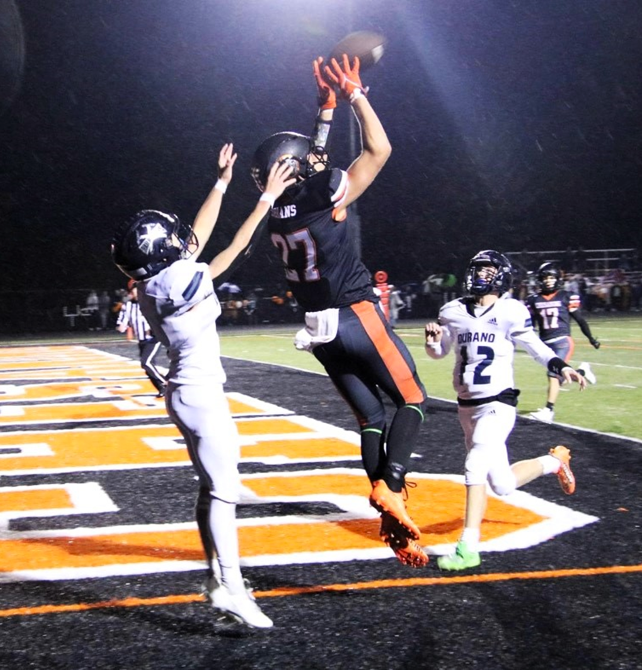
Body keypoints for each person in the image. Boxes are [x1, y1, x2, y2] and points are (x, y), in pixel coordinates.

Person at [249, 54, 429, 567]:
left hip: (319, 328)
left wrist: (323, 113)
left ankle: (391, 526)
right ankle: (391, 487)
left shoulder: (275, 212)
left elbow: (310, 164)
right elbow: (379, 149)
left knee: (372, 416)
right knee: (412, 399)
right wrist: (354, 94)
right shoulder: (325, 196)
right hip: (355, 312)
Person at [112, 143, 294, 629]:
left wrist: (221, 183)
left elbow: (193, 237)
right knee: (226, 491)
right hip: (201, 393)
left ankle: (216, 577)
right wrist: (266, 200)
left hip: (184, 391)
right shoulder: (181, 280)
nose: (181, 241)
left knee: (211, 488)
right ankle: (232, 587)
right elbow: (231, 247)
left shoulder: (156, 281)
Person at [424, 250, 587, 571]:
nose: (479, 276)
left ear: (500, 276)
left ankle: (468, 547)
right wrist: (431, 343)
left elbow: (535, 345)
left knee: (474, 466)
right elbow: (440, 352)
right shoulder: (453, 311)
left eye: (487, 271)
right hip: (466, 407)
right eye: (477, 270)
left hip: (498, 403)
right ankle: (554, 462)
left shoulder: (511, 310)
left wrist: (560, 364)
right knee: (502, 485)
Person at [524, 262, 599, 424]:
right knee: (558, 377)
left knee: (553, 375)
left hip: (562, 341)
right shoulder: (533, 300)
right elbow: (530, 325)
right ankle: (582, 372)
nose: (549, 280)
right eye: (545, 277)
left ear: (558, 278)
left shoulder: (565, 296)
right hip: (545, 344)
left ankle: (548, 410)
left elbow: (580, 320)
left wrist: (591, 338)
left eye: (552, 277)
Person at [116, 281, 167, 397]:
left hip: (154, 338)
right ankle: (161, 388)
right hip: (142, 340)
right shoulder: (128, 306)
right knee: (148, 366)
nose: (135, 292)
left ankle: (165, 382)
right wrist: (121, 326)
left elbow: (161, 316)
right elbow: (122, 323)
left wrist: (155, 328)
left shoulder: (150, 302)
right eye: (134, 290)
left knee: (146, 363)